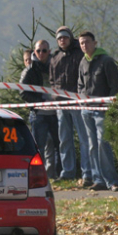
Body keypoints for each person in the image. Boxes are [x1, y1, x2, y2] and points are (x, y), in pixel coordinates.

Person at [77, 30, 118, 192]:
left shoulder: (106, 61)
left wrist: (108, 106)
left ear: (95, 43)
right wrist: (83, 101)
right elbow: (80, 85)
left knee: (103, 144)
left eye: (87, 42)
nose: (84, 45)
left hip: (102, 110)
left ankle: (112, 181)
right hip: (86, 110)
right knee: (92, 146)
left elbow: (116, 87)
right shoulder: (82, 62)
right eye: (81, 43)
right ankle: (98, 179)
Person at [49, 26, 90, 184]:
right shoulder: (55, 57)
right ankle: (67, 172)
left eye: (65, 37)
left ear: (70, 38)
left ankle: (87, 172)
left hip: (77, 102)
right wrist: (55, 96)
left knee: (83, 138)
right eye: (59, 38)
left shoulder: (80, 54)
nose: (62, 40)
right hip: (61, 103)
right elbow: (52, 80)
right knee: (64, 139)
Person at [20, 40, 60, 179]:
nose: (41, 53)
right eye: (38, 51)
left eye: (44, 50)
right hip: (39, 114)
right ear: (34, 52)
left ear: (49, 51)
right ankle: (38, 177)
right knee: (38, 148)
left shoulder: (56, 65)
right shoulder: (29, 70)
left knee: (57, 146)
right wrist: (40, 102)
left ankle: (54, 175)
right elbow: (22, 92)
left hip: (56, 113)